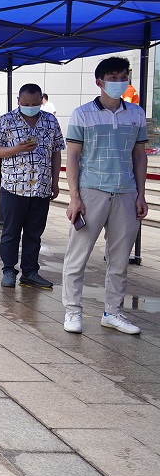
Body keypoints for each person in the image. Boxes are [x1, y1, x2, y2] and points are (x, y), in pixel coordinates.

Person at [61, 57, 149, 335]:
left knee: (120, 259)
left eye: (123, 77)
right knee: (78, 256)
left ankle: (113, 312)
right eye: (113, 78)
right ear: (99, 81)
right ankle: (72, 311)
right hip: (91, 191)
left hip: (126, 192)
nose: (119, 82)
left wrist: (141, 194)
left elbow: (139, 156)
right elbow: (72, 156)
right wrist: (75, 197)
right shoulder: (82, 114)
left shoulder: (136, 113)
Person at [0, 83, 64, 289]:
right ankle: (8, 270)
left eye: (35, 103)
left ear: (41, 101)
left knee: (34, 233)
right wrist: (17, 149)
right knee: (11, 232)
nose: (30, 107)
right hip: (14, 187)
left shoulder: (50, 121)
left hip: (41, 187)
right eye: (26, 103)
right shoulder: (6, 121)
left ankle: (30, 272)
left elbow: (56, 151)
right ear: (18, 101)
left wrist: (55, 181)